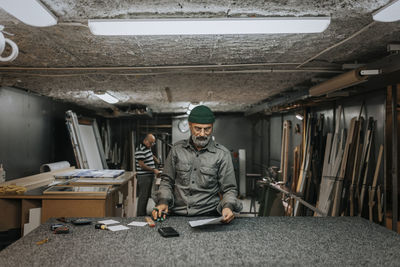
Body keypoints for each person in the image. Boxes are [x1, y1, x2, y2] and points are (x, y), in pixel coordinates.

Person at [153, 105, 242, 223]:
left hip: (209, 216)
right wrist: (163, 201)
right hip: (176, 215)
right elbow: (167, 181)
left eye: (207, 129)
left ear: (212, 127)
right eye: (198, 128)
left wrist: (228, 206)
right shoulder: (176, 150)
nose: (202, 134)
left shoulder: (222, 154)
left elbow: (229, 189)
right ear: (190, 126)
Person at [135, 133, 160, 216]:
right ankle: (140, 215)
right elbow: (141, 165)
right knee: (143, 196)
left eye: (153, 143)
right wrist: (153, 170)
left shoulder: (147, 147)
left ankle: (143, 212)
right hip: (144, 176)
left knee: (146, 196)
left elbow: (149, 154)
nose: (152, 145)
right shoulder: (140, 149)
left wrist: (155, 159)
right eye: (150, 143)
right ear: (145, 140)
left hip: (148, 175)